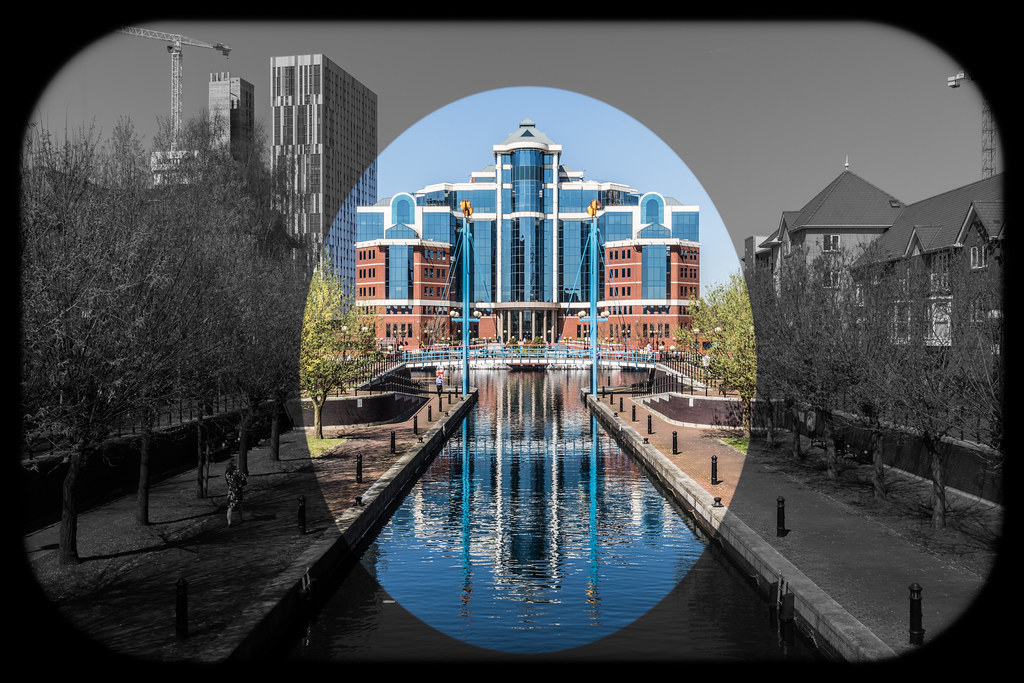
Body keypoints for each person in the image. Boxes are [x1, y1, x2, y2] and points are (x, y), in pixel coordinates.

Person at [224, 459, 247, 527]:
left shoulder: (227, 473)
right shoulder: (237, 472)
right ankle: (241, 518)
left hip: (231, 491)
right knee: (240, 505)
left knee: (230, 507)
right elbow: (244, 478)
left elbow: (227, 482)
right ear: (234, 465)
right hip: (238, 491)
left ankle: (229, 522)